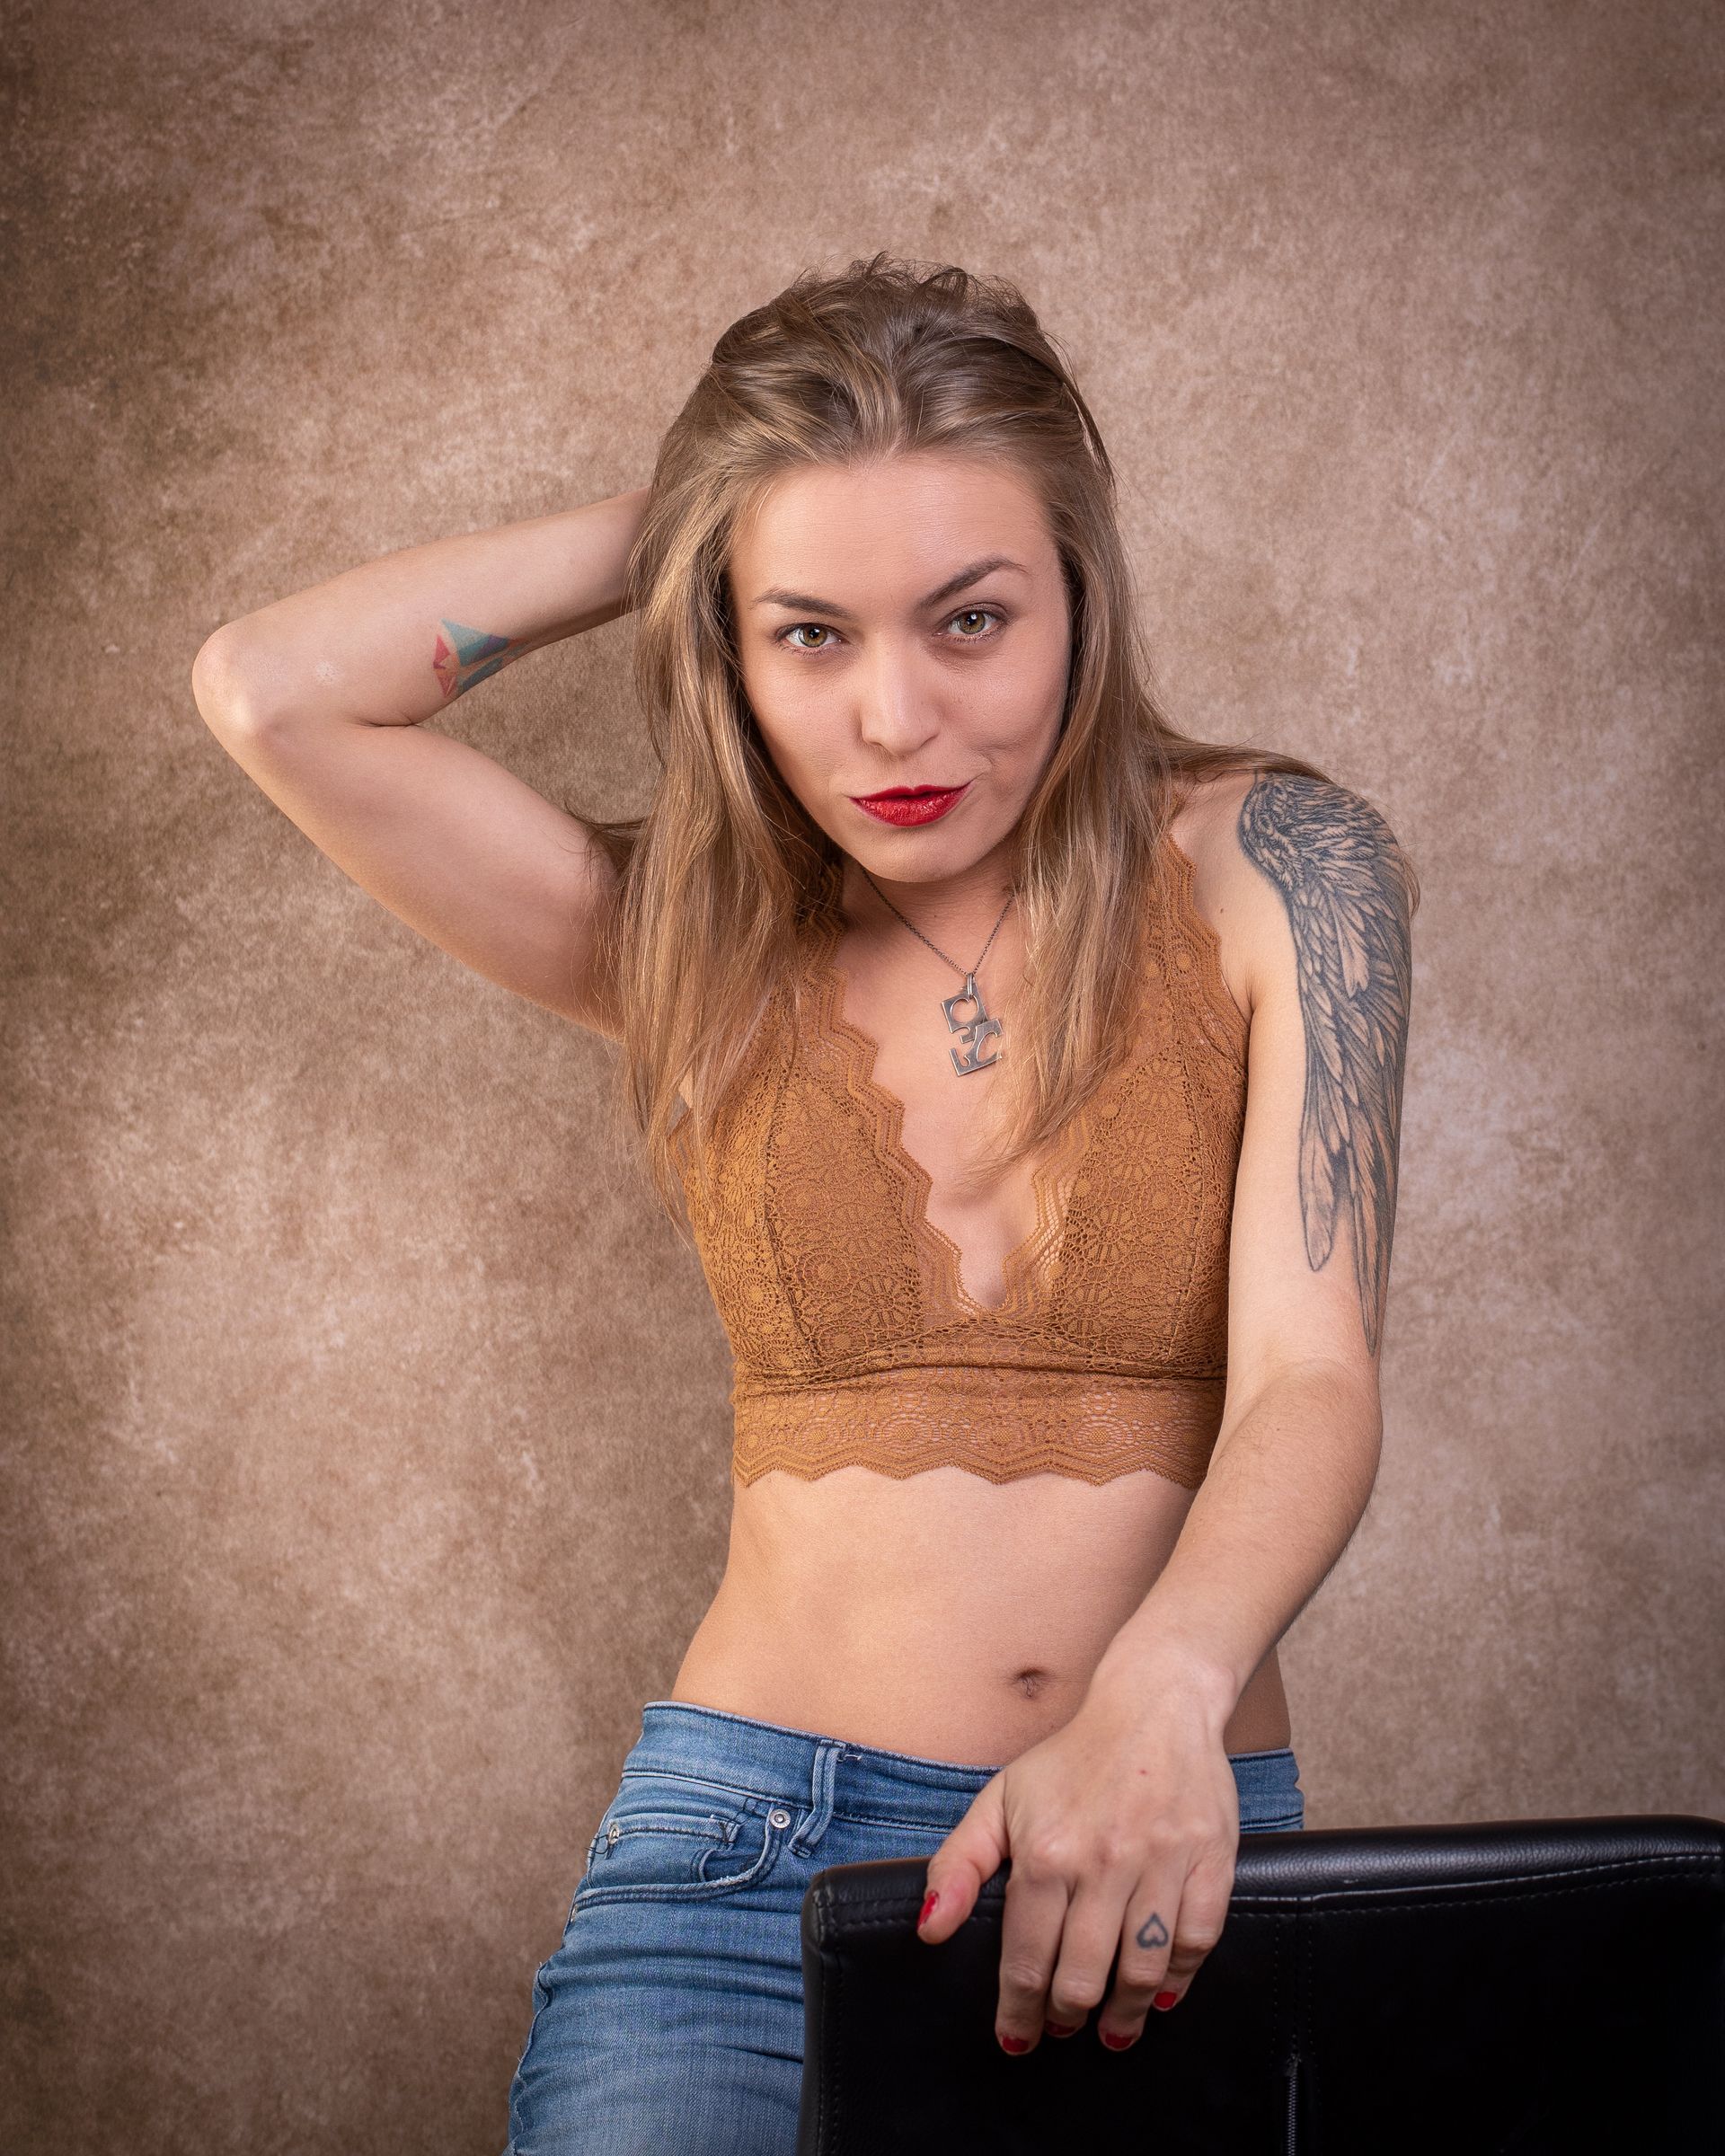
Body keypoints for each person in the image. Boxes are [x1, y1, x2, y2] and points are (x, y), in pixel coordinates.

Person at [192, 252, 1418, 2154]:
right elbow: (272, 694)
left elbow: (1313, 1377)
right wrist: (716, 512)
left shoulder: (1283, 865)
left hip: (1155, 1847)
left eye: (970, 618)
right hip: (745, 1873)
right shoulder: (680, 934)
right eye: (811, 633)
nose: (895, 719)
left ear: (1081, 596)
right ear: (728, 639)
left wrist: (1163, 1691)